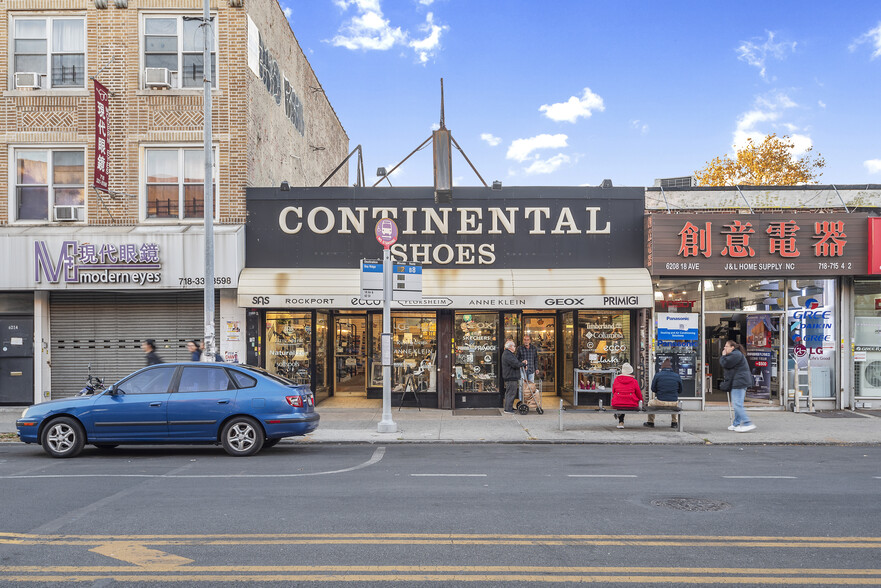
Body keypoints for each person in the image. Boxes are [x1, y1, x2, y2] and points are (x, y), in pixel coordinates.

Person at [720, 340, 756, 432]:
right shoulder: (735, 355)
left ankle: (747, 423)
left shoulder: (735, 355)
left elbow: (725, 363)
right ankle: (736, 424)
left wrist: (723, 356)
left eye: (726, 346)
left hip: (740, 382)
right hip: (739, 381)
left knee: (737, 404)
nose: (724, 348)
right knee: (738, 404)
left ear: (732, 347)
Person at [644, 359, 682, 429]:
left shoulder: (658, 375)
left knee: (650, 403)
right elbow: (680, 390)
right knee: (675, 402)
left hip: (660, 401)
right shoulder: (677, 376)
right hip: (673, 402)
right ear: (670, 367)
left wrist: (659, 392)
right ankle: (674, 422)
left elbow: (653, 389)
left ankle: (650, 422)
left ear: (662, 367)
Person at [611, 362, 643, 429]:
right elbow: (638, 393)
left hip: (617, 403)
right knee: (626, 401)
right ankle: (620, 420)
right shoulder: (634, 381)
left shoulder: (616, 380)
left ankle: (621, 422)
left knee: (621, 401)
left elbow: (613, 391)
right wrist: (641, 401)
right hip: (631, 403)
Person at [501, 340, 522, 414]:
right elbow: (515, 363)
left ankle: (509, 407)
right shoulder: (508, 354)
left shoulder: (508, 354)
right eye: (514, 346)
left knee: (510, 392)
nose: (515, 347)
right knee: (511, 393)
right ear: (510, 347)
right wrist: (522, 364)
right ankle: (508, 409)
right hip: (510, 376)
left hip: (510, 376)